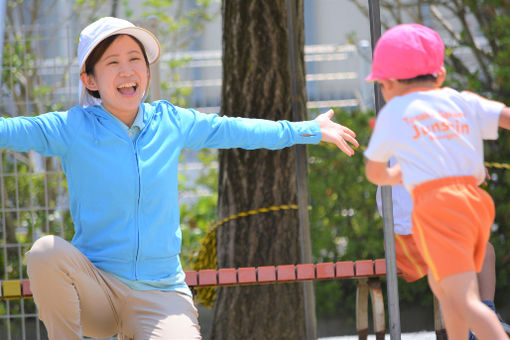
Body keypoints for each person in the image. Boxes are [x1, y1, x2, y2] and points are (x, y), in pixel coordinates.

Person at [4, 17, 360, 340]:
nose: (127, 70)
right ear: (90, 80)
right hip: (99, 291)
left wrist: (306, 130)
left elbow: (235, 129)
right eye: (112, 62)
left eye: (135, 59)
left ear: (146, 69)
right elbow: (10, 131)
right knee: (44, 252)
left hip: (161, 295)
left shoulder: (170, 122)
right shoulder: (70, 129)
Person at [363, 23, 510, 340]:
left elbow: (374, 172)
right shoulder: (461, 100)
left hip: (436, 206)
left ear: (387, 83)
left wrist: (393, 175)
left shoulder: (395, 111)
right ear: (440, 75)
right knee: (445, 289)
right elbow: (505, 117)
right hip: (473, 202)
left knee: (462, 299)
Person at [375, 160, 510, 339]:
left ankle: (486, 314)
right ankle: (474, 326)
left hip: (432, 229)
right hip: (405, 238)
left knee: (485, 251)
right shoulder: (407, 143)